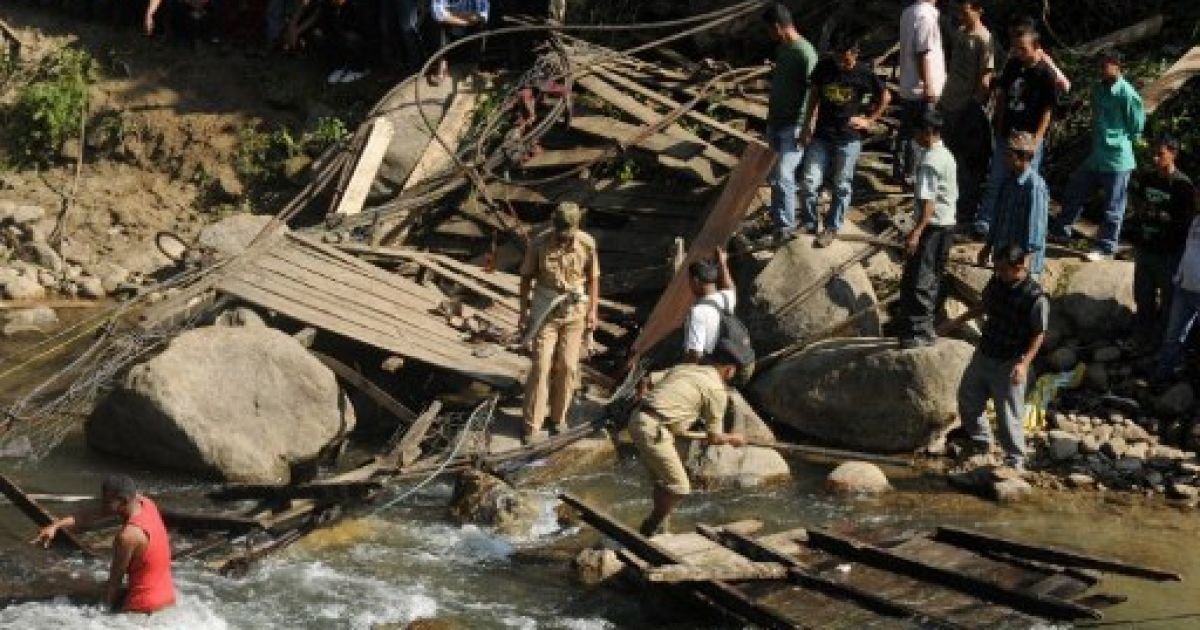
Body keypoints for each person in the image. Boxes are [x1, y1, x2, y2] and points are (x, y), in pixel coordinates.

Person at [629, 338, 753, 536]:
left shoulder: (686, 368)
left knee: (665, 481)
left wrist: (642, 397)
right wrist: (733, 439)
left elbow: (646, 379)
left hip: (639, 418)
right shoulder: (716, 390)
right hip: (654, 429)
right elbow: (714, 438)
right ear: (729, 370)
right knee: (680, 487)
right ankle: (649, 527)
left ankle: (660, 528)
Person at [946, 244, 1048, 470]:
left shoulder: (1035, 297)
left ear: (1019, 266)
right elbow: (983, 305)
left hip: (1010, 361)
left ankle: (1015, 461)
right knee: (968, 399)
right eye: (997, 269)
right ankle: (981, 442)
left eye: (1003, 269)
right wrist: (957, 321)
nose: (998, 273)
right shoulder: (997, 282)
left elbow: (1038, 334)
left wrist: (1024, 364)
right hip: (985, 352)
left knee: (1008, 415)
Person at [1049, 49, 1146, 261]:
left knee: (1113, 206)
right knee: (1076, 188)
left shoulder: (1127, 94)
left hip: (1117, 158)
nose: (1100, 70)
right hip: (1097, 154)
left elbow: (1136, 126)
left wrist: (1119, 139)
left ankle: (1106, 246)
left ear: (1116, 65)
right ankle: (1061, 233)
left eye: (1104, 66)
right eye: (1099, 66)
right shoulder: (1097, 89)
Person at [32, 475, 175, 614]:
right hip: (167, 598)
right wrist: (55, 526)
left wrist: (102, 614)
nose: (102, 505)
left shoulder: (127, 537)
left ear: (123, 501)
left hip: (142, 608)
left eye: (106, 501)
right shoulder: (146, 504)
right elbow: (86, 517)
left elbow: (115, 583)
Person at [518, 202, 599, 444]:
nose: (564, 240)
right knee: (541, 366)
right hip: (545, 311)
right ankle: (532, 426)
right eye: (561, 235)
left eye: (568, 235)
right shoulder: (539, 244)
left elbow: (594, 279)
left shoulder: (587, 244)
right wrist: (523, 311)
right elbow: (525, 278)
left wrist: (593, 311)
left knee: (568, 366)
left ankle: (557, 418)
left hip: (575, 312)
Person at [799, 34, 889, 247]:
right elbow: (814, 93)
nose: (841, 63)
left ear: (855, 55)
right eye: (838, 58)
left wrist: (869, 120)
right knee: (809, 181)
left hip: (848, 138)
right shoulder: (825, 67)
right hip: (821, 134)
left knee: (841, 184)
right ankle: (810, 223)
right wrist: (807, 124)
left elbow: (885, 97)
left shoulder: (864, 73)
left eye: (846, 59)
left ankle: (832, 227)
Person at [974, 22, 1057, 238]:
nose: (1019, 52)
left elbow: (1048, 110)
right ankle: (985, 220)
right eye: (1016, 48)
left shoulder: (1045, 74)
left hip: (1029, 137)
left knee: (1027, 183)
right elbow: (1002, 95)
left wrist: (1037, 139)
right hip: (1007, 133)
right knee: (996, 178)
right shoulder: (1013, 65)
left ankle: (1023, 226)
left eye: (1023, 48)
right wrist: (998, 123)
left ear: (1035, 46)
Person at [1127, 137, 1197, 349]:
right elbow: (1137, 203)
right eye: (1153, 154)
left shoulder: (1183, 185)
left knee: (1168, 301)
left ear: (1173, 154)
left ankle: (1162, 342)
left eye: (1161, 154)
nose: (1155, 158)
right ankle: (1141, 338)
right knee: (1143, 296)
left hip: (1168, 253)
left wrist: (1162, 217)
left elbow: (1185, 222)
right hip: (1145, 247)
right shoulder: (1148, 179)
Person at [897, 109, 957, 348]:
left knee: (920, 277)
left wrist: (916, 231)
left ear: (928, 132)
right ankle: (925, 327)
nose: (915, 137)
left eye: (917, 131)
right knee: (933, 276)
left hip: (932, 226)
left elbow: (928, 203)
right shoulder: (946, 155)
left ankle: (917, 331)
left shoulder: (930, 161)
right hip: (947, 224)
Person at [762, 3, 817, 244]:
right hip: (776, 122)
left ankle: (786, 227)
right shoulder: (783, 50)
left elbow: (815, 90)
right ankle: (777, 222)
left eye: (768, 30)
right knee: (775, 176)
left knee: (785, 174)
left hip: (794, 124)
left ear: (777, 27)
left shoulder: (805, 52)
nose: (768, 35)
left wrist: (808, 125)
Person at [939, 0, 995, 224]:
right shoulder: (962, 32)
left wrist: (975, 106)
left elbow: (985, 78)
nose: (962, 15)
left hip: (965, 106)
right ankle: (947, 201)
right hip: (949, 101)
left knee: (966, 163)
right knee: (947, 156)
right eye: (960, 11)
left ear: (978, 10)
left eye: (966, 11)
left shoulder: (984, 39)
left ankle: (965, 210)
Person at [978, 131, 1049, 277]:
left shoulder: (1034, 187)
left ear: (1023, 157)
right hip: (1003, 260)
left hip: (1020, 266)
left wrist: (1024, 267)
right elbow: (997, 219)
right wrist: (987, 247)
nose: (1005, 159)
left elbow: (1036, 232)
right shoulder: (1007, 182)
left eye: (1009, 155)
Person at [893, 0, 946, 186]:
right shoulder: (925, 16)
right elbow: (922, 52)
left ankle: (901, 171)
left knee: (907, 131)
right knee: (922, 132)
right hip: (921, 87)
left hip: (909, 84)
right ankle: (913, 175)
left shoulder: (908, 12)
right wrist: (928, 84)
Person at [1155, 212, 1200, 383]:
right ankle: (1162, 377)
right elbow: (1189, 250)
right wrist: (1178, 277)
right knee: (1173, 335)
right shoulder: (1195, 220)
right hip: (1183, 288)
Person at [682, 249, 736, 363]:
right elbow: (730, 287)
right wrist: (723, 263)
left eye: (689, 280)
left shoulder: (698, 312)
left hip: (710, 367)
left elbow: (695, 355)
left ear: (696, 281)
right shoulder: (727, 297)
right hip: (730, 362)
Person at [427, 0, 490, 86]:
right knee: (435, 24)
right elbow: (437, 13)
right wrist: (464, 20)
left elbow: (481, 15)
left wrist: (451, 15)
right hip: (451, 25)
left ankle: (473, 67)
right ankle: (442, 65)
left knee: (481, 25)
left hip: (469, 25)